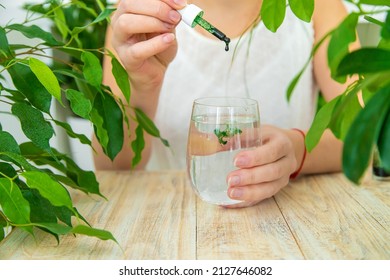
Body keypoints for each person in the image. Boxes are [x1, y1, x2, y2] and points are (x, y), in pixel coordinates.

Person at [92, 0, 360, 208]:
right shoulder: (138, 15)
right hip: (165, 222)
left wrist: (297, 150)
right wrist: (141, 86)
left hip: (283, 223)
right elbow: (112, 165)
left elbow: (362, 137)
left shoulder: (316, 7)